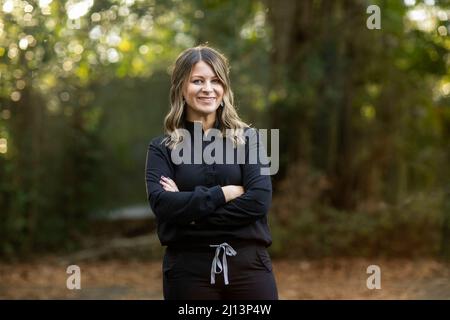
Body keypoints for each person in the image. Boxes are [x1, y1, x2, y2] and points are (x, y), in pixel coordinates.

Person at [145, 45, 278, 300]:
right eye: (197, 81)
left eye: (216, 81)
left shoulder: (250, 140)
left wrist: (188, 214)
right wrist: (223, 193)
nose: (208, 88)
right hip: (187, 271)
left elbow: (259, 200)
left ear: (225, 88)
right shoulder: (161, 148)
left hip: (249, 268)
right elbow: (162, 205)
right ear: (181, 89)